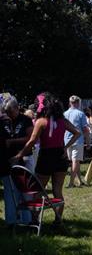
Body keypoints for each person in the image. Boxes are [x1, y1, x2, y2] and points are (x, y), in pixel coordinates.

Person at [12, 92, 80, 225]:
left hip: (46, 158)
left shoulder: (41, 121)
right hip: (60, 157)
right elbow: (77, 133)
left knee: (38, 190)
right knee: (57, 191)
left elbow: (32, 142)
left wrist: (19, 155)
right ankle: (58, 220)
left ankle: (35, 219)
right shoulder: (63, 121)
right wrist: (65, 147)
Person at [0, 96, 33, 226]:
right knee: (9, 191)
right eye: (6, 113)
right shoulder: (3, 122)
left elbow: (30, 138)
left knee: (25, 191)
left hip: (24, 158)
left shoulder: (26, 120)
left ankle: (27, 220)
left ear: (17, 108)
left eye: (11, 112)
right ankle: (11, 221)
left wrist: (13, 142)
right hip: (7, 161)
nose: (9, 115)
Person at [64, 95, 90, 188]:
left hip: (67, 140)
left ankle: (79, 181)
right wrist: (88, 142)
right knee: (75, 161)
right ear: (78, 103)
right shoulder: (81, 114)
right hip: (77, 140)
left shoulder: (64, 113)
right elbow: (85, 129)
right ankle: (71, 183)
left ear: (69, 103)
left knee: (74, 161)